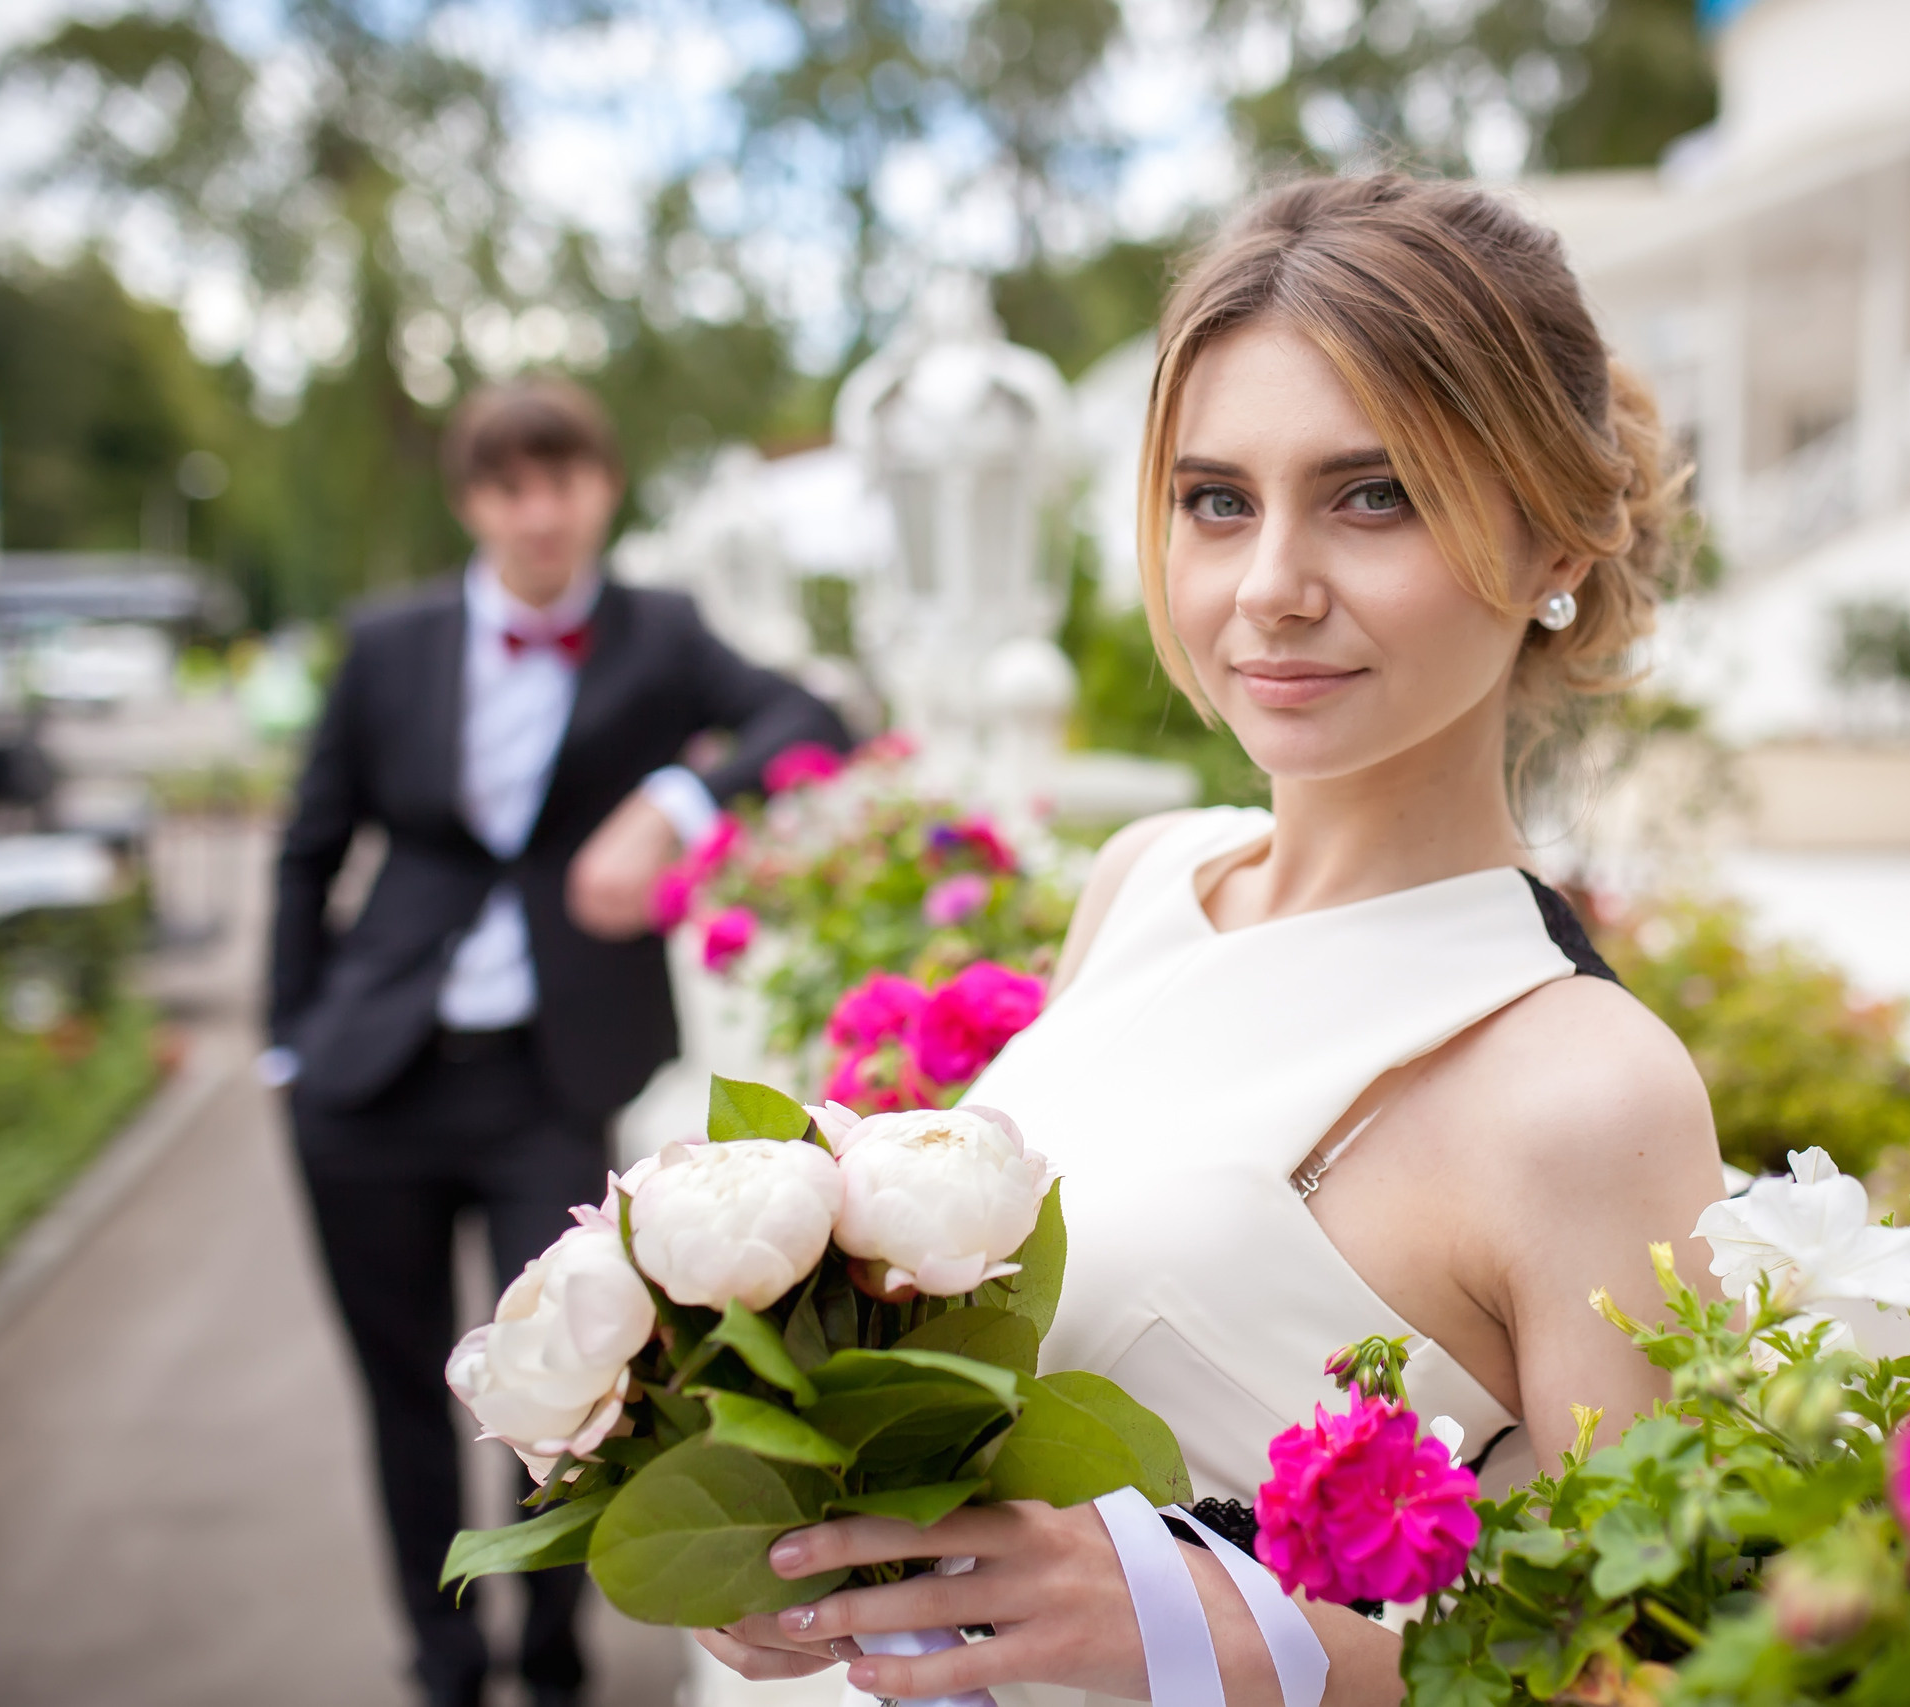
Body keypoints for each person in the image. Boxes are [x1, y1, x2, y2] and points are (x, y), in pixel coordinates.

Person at [696, 176, 1727, 1707]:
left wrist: (1218, 1633)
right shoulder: (1142, 881)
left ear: (1555, 537)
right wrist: (798, 1539)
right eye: (1217, 500)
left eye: (1373, 495)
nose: (1270, 590)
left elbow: (1649, 1676)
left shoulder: (1585, 1091)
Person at [268, 376, 848, 1707]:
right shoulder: (389, 644)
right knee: (403, 1387)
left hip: (551, 1080)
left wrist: (671, 799)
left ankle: (552, 1654)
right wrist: (288, 1047)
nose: (540, 512)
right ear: (474, 502)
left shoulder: (661, 633)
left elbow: (811, 716)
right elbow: (309, 849)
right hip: (369, 1079)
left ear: (604, 488)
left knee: (576, 1390)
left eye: (564, 479)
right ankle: (444, 1661)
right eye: (509, 486)